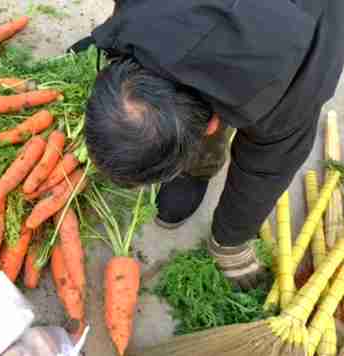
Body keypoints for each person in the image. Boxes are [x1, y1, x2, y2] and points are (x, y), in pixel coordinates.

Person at [71, 0, 344, 289]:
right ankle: (193, 162)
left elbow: (265, 171)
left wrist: (231, 241)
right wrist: (109, 37)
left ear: (212, 127)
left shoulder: (298, 86)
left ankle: (196, 170)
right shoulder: (139, 13)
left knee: (258, 150)